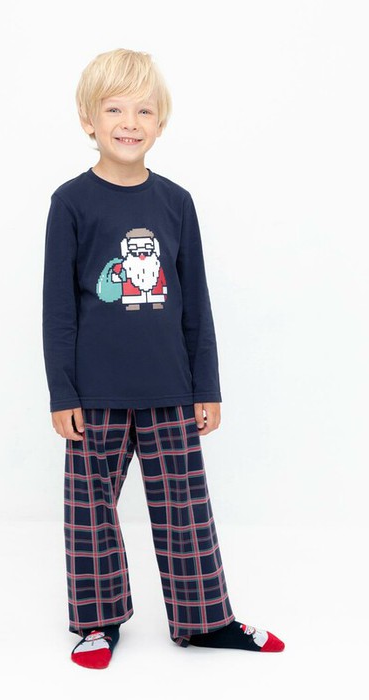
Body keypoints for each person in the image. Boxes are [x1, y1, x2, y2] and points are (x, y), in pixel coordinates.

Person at [42, 48, 285, 670]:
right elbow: (58, 308)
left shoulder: (177, 203)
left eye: (144, 110)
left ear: (161, 122)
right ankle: (97, 623)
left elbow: (195, 302)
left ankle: (206, 622)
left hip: (172, 389)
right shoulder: (70, 202)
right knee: (90, 513)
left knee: (186, 512)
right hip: (94, 394)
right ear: (88, 119)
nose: (130, 122)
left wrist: (208, 385)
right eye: (114, 109)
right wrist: (63, 393)